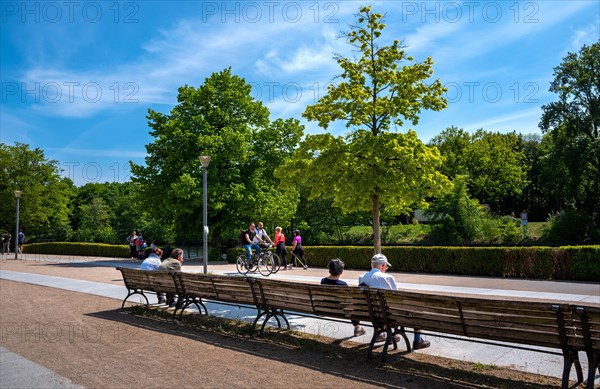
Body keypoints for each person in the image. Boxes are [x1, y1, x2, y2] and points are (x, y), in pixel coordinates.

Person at [359, 254, 430, 350]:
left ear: (372, 265)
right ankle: (417, 341)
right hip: (391, 317)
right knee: (415, 311)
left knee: (384, 309)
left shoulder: (361, 277)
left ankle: (391, 335)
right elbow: (397, 298)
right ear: (383, 265)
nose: (386, 268)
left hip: (373, 315)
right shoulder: (388, 277)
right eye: (386, 266)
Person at [321, 258, 366, 337]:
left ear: (329, 270)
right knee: (351, 306)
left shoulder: (323, 281)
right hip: (341, 310)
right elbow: (349, 300)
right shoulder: (343, 284)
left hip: (326, 308)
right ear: (341, 272)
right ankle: (357, 327)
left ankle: (358, 327)